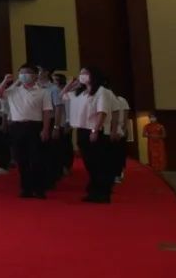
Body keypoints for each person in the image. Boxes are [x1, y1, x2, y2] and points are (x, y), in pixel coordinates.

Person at [0, 64, 53, 199]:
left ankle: (39, 188)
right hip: (17, 127)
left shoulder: (43, 92)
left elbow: (47, 112)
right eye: (21, 73)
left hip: (35, 126)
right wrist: (6, 81)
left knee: (37, 159)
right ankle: (26, 188)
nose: (24, 75)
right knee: (21, 159)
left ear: (35, 76)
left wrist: (45, 129)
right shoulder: (14, 90)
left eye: (27, 73)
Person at [63, 67, 114, 204]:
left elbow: (102, 112)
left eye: (85, 73)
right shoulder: (81, 92)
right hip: (81, 129)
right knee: (89, 163)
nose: (82, 75)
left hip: (94, 130)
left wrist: (95, 130)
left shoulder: (101, 91)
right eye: (80, 73)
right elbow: (63, 95)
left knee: (98, 162)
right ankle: (94, 191)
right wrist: (72, 83)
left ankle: (103, 193)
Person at [52, 73, 74, 176]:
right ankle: (59, 166)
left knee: (65, 146)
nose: (53, 82)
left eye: (55, 80)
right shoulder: (54, 92)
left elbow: (69, 110)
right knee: (58, 147)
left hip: (65, 123)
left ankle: (66, 166)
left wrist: (68, 123)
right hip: (57, 123)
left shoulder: (67, 94)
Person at [111, 93, 130, 184]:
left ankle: (118, 173)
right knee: (111, 154)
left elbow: (125, 117)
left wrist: (123, 130)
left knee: (119, 153)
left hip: (120, 129)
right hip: (109, 130)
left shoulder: (122, 100)